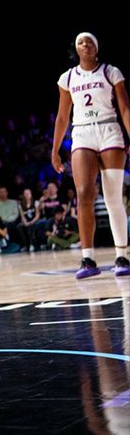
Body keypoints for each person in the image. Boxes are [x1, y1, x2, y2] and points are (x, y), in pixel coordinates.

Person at [52, 32, 130, 279]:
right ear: (76, 49)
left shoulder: (111, 72)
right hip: (82, 133)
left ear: (96, 47)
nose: (84, 44)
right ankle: (87, 259)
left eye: (89, 41)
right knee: (84, 192)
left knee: (113, 196)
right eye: (80, 42)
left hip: (109, 130)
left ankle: (122, 255)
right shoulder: (67, 78)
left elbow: (125, 108)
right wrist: (55, 150)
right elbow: (62, 117)